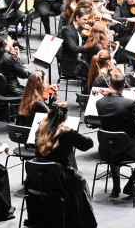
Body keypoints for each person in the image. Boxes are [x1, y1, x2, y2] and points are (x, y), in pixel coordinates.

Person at [29, 97, 96, 228]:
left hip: (38, 178)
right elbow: (88, 144)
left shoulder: (39, 129)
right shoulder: (66, 133)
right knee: (81, 180)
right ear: (64, 116)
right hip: (60, 179)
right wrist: (73, 134)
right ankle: (79, 220)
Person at [95, 70, 135, 198]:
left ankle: (116, 186)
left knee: (113, 142)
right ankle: (130, 185)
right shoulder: (129, 103)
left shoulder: (99, 103)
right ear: (123, 86)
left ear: (109, 84)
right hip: (128, 150)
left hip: (106, 149)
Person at [59, 7, 90, 84]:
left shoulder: (80, 29)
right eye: (84, 20)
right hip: (71, 66)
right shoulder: (67, 30)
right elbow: (74, 48)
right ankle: (86, 92)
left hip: (79, 61)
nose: (86, 22)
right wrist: (89, 47)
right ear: (77, 18)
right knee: (94, 72)